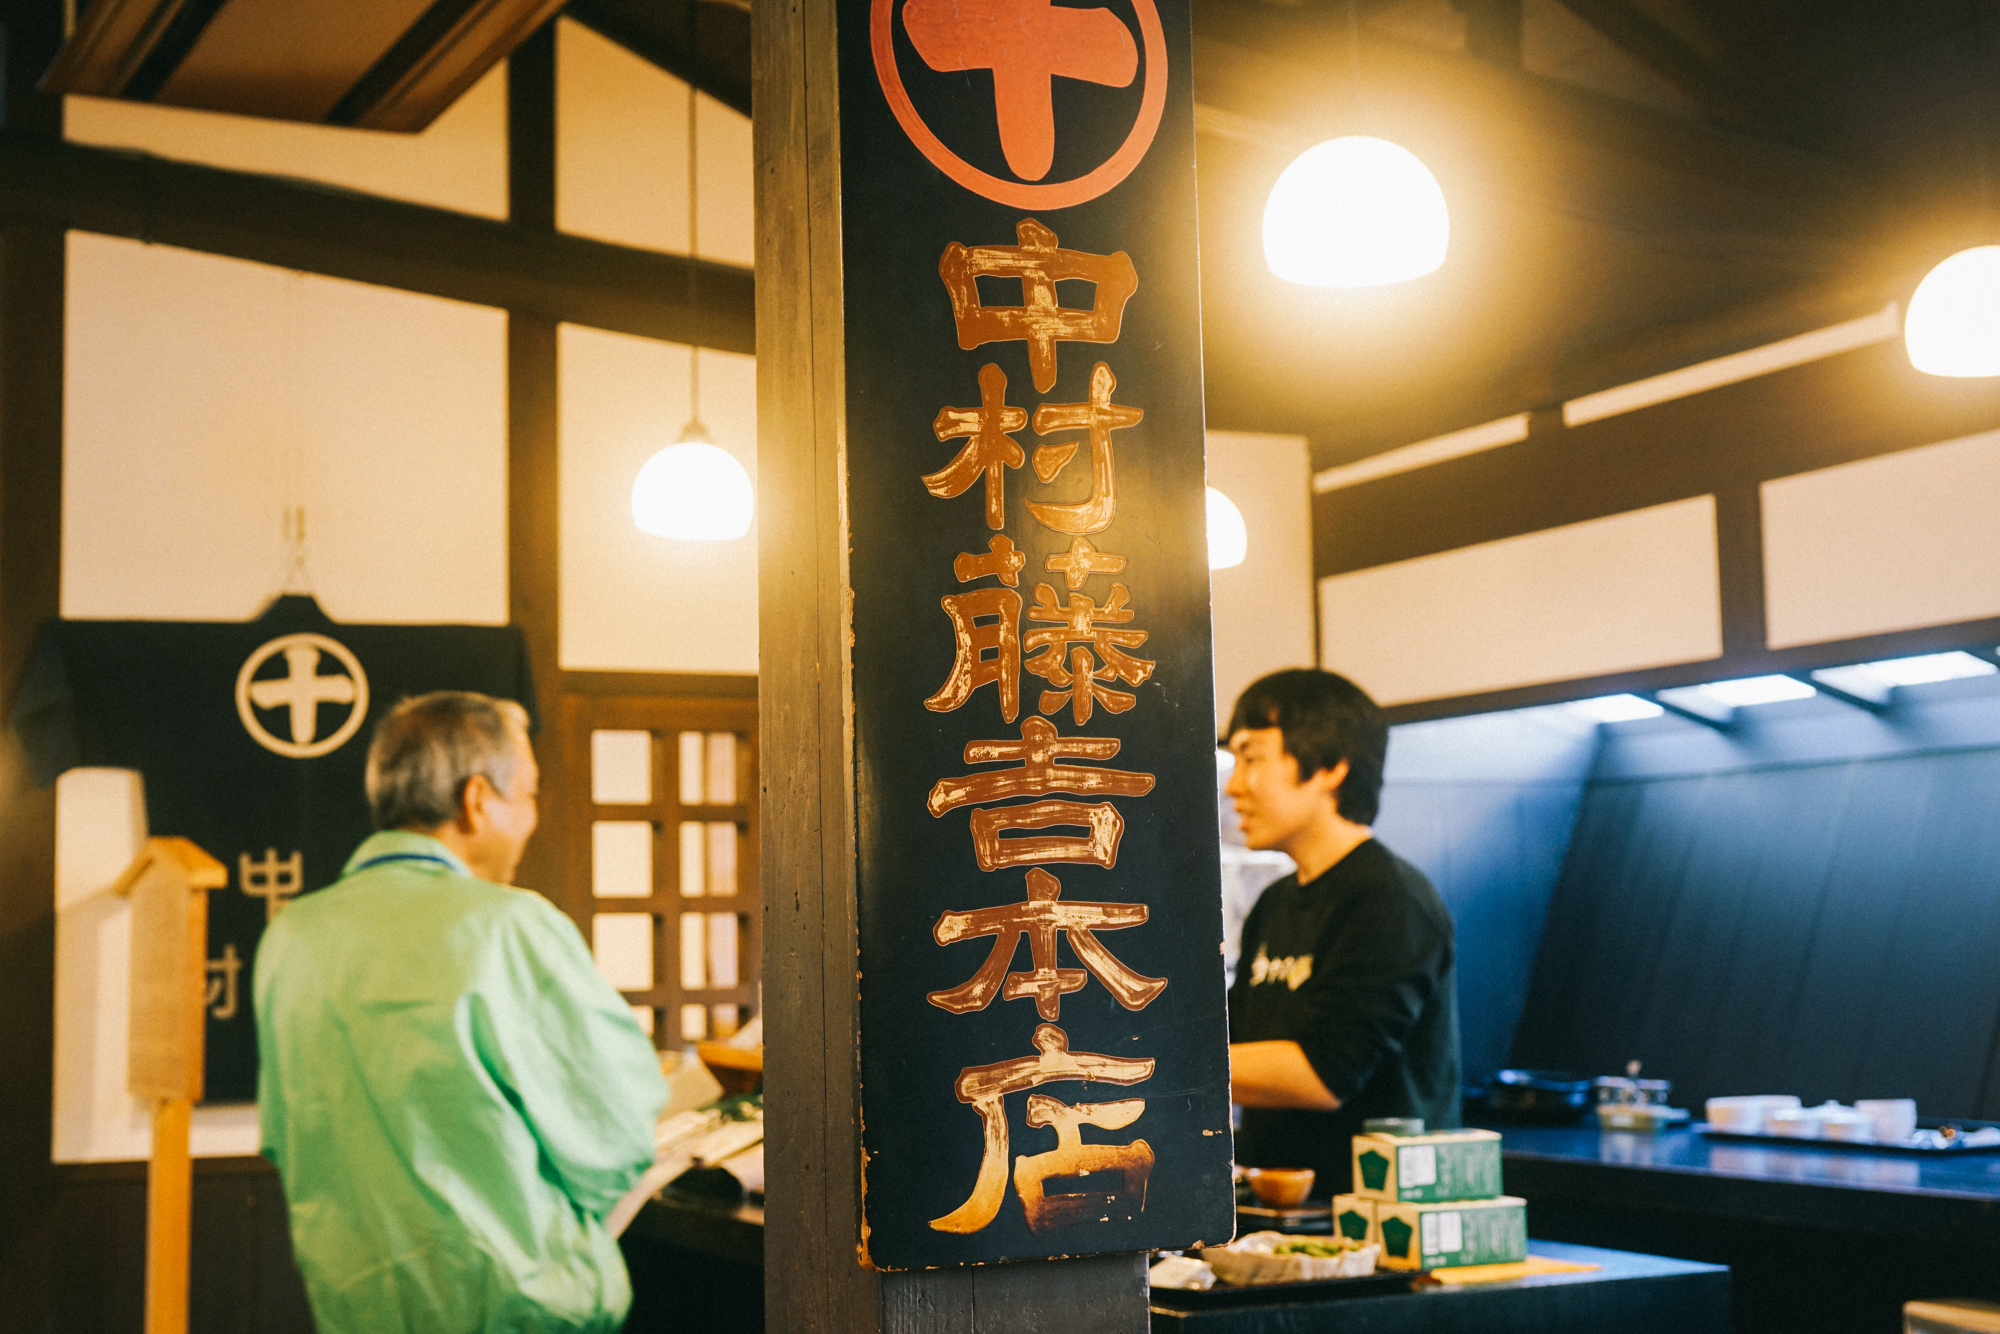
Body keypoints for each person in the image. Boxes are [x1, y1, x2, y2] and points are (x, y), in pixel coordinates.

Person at [255, 691, 668, 1334]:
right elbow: (617, 1136)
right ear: (477, 799)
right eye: (528, 795)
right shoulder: (508, 926)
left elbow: (283, 1137)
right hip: (509, 1310)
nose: (532, 817)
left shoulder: (291, 938)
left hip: (353, 1312)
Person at [1223, 668, 1460, 1197]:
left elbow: (1324, 1075)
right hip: (1277, 1215)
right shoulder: (1275, 902)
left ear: (1329, 766)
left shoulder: (1390, 897)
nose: (1235, 783)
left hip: (1369, 1228)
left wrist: (1147, 1071)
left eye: (1252, 756)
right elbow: (1233, 1038)